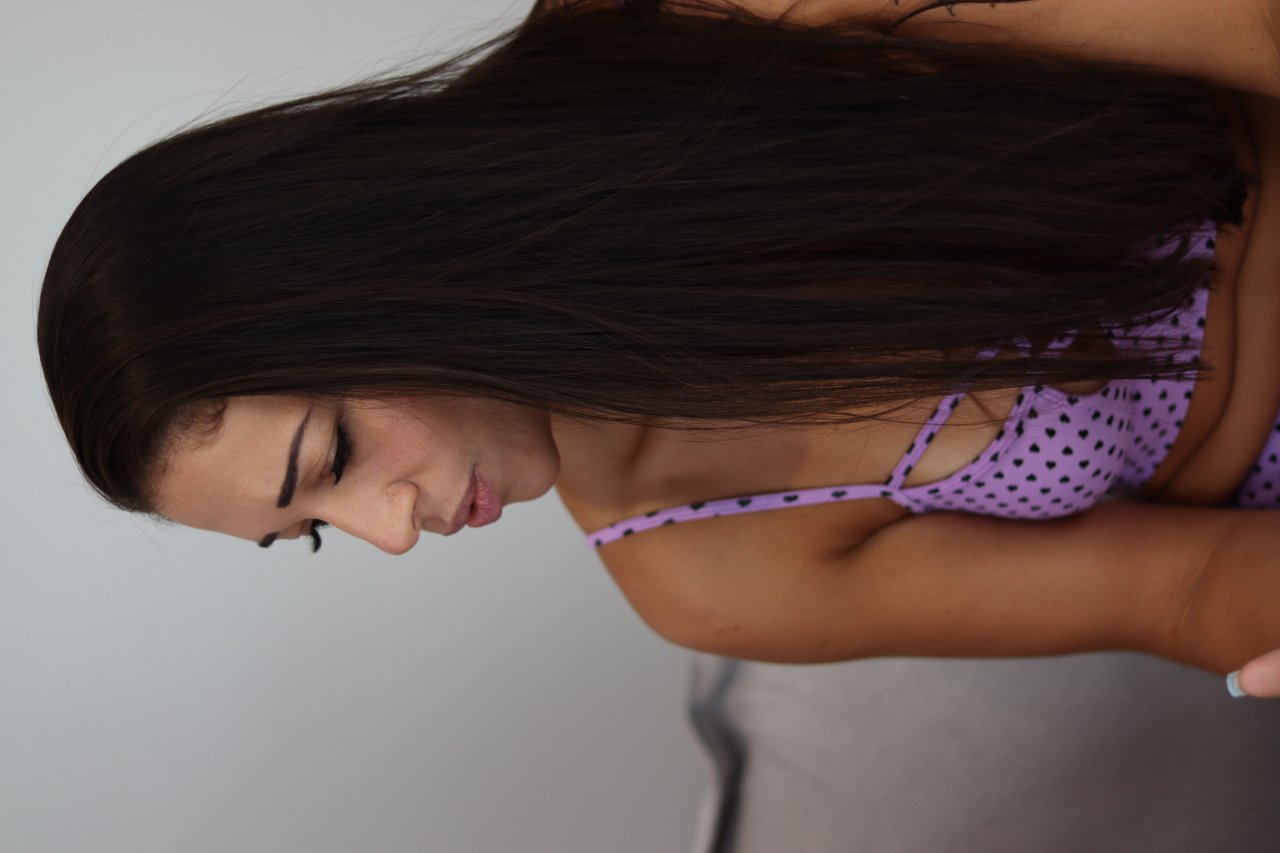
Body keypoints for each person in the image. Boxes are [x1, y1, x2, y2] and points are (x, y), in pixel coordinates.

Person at [35, 0, 1280, 701]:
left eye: (334, 457)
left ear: (355, 266)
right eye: (312, 530)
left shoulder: (654, 29)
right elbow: (1181, 591)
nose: (391, 534)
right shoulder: (695, 571)